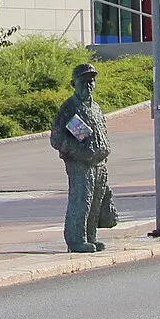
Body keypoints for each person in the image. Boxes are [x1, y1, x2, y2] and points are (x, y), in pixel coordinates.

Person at [50, 62, 114, 253]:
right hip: (80, 163)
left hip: (99, 162)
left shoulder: (96, 107)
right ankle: (76, 239)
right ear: (73, 83)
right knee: (81, 199)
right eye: (84, 81)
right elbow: (56, 138)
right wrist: (76, 151)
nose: (88, 85)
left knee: (95, 201)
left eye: (91, 81)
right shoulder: (70, 107)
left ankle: (91, 236)